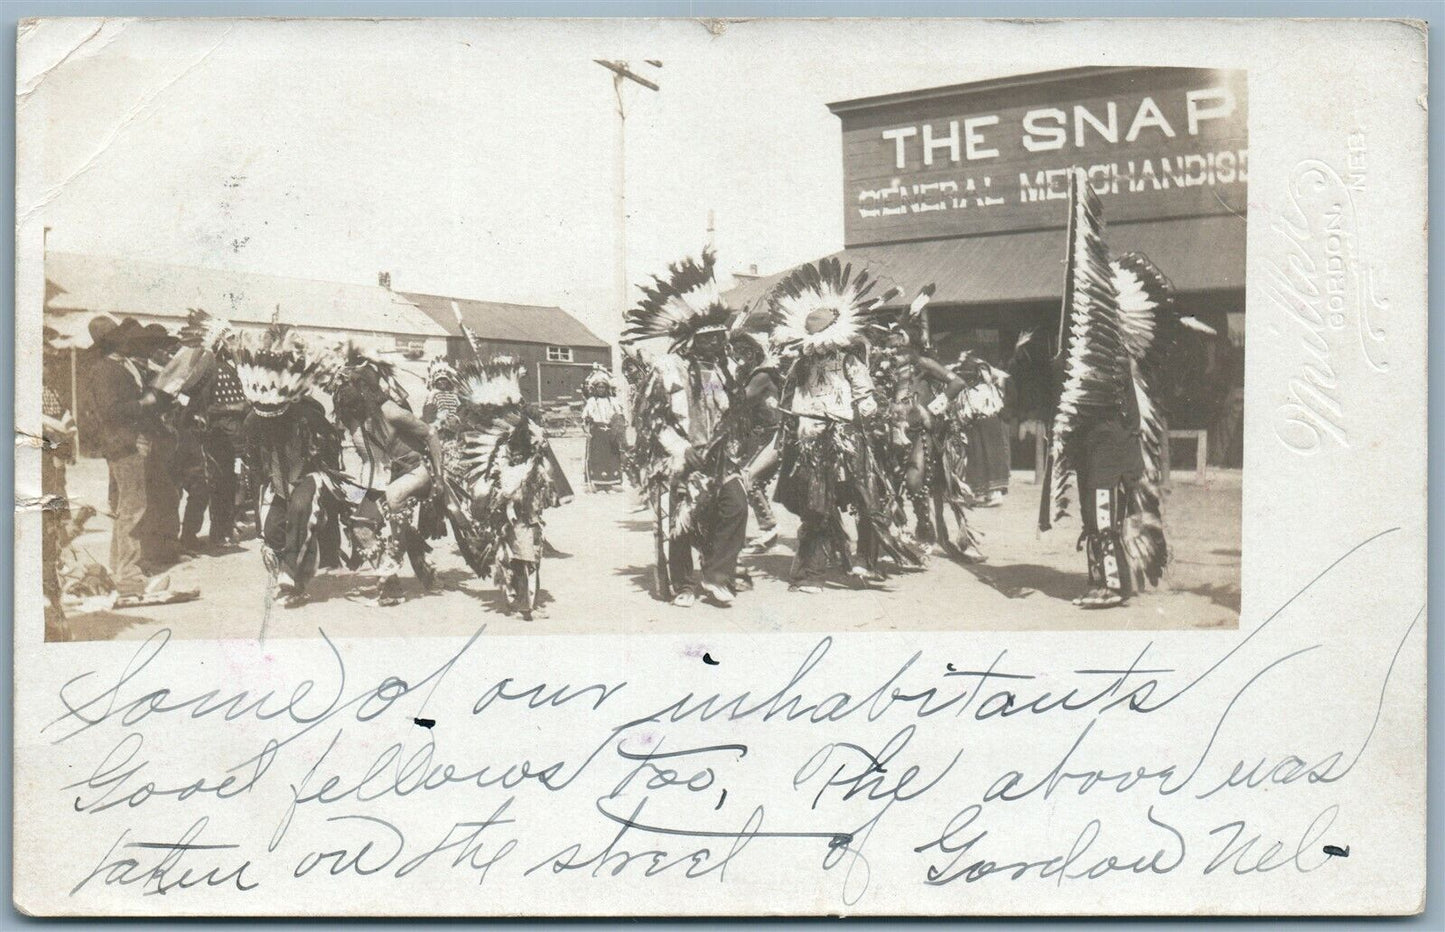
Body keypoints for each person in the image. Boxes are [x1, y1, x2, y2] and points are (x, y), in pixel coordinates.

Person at [1039, 172, 1204, 608]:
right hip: (1097, 446)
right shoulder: (1094, 361)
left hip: (1112, 446)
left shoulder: (1115, 363)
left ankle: (1111, 585)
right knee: (1095, 515)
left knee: (1104, 515)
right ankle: (1106, 580)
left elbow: (1113, 406)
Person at [768, 259, 925, 593]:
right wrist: (798, 425)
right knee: (816, 506)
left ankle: (867, 561)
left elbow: (865, 395)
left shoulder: (851, 361)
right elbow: (793, 399)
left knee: (869, 500)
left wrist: (868, 417)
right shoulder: (801, 365)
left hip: (850, 437)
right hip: (812, 441)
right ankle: (809, 573)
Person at [622, 249, 748, 608]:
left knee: (736, 506)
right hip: (677, 457)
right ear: (693, 340)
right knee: (680, 520)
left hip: (716, 456)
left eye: (719, 339)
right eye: (709, 339)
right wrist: (681, 450)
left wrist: (727, 429)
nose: (717, 344)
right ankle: (683, 584)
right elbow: (652, 421)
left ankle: (716, 574)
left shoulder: (715, 371)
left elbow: (716, 409)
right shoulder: (668, 368)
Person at [329, 348, 446, 606]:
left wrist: (438, 478)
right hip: (379, 478)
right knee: (360, 527)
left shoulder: (388, 410)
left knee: (395, 499)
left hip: (414, 471)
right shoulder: (351, 421)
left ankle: (394, 565)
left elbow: (430, 434)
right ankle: (393, 586)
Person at [453, 355, 562, 619]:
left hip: (526, 502)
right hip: (502, 498)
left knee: (526, 550)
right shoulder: (496, 446)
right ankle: (517, 598)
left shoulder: (530, 431)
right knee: (509, 550)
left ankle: (524, 601)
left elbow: (541, 458)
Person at [41, 327, 76, 640]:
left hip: (50, 469)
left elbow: (63, 424)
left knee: (50, 540)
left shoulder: (49, 390)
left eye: (48, 360)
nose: (46, 366)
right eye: (43, 359)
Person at [952, 349, 1012, 507]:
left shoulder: (980, 391)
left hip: (983, 426)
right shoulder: (983, 390)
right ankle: (988, 493)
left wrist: (964, 421)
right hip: (987, 425)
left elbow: (967, 413)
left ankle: (991, 493)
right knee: (986, 457)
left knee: (986, 457)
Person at [580, 364, 624, 491]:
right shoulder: (592, 401)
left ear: (607, 388)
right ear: (595, 389)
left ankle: (611, 483)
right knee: (598, 456)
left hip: (610, 432)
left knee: (611, 455)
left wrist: (618, 426)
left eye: (603, 387)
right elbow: (585, 416)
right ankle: (597, 483)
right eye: (599, 387)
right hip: (597, 432)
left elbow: (619, 415)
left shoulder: (613, 401)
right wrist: (587, 428)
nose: (601, 389)